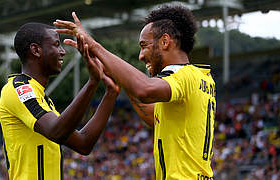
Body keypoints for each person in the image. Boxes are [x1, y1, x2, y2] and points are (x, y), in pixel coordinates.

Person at [54, 5, 216, 179]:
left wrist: (94, 46)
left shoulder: (181, 75)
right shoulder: (202, 78)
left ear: (164, 41)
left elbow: (144, 90)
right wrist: (118, 76)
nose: (140, 55)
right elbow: (153, 117)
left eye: (143, 46)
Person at [0, 22, 120, 180]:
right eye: (56, 45)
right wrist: (92, 83)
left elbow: (84, 143)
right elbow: (56, 132)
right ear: (36, 50)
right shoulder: (17, 89)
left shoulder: (43, 100)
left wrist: (110, 94)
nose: (62, 52)